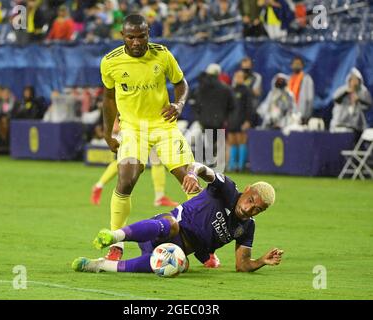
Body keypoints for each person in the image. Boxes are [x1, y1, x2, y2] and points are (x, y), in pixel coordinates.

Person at [99, 14, 199, 261]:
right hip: (132, 128)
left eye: (141, 36)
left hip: (164, 126)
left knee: (190, 181)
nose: (136, 42)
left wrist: (179, 104)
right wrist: (107, 132)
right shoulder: (110, 62)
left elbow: (181, 83)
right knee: (126, 179)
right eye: (130, 37)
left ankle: (203, 246)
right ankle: (117, 242)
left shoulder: (162, 54)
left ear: (148, 33)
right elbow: (109, 98)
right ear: (123, 36)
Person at [72, 161, 284, 273]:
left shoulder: (247, 228)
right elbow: (201, 168)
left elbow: (242, 264)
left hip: (176, 250)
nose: (249, 209)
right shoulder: (227, 189)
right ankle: (115, 237)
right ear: (246, 190)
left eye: (257, 209)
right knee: (171, 224)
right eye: (250, 200)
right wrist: (191, 174)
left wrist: (261, 261)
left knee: (176, 263)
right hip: (160, 229)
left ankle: (100, 266)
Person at [91, 118, 179, 207]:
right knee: (126, 160)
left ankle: (159, 197)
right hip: (134, 126)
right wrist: (115, 122)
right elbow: (113, 104)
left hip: (150, 125)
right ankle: (99, 186)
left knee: (156, 161)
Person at [227, 70, 256, 172]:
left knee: (241, 141)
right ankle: (232, 165)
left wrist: (248, 120)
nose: (238, 78)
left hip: (242, 119)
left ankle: (241, 166)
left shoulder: (246, 91)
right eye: (236, 76)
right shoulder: (232, 90)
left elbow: (250, 107)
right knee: (232, 142)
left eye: (240, 77)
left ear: (244, 79)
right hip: (232, 120)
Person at [330, 68, 372, 135]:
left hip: (356, 126)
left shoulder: (363, 92)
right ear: (349, 80)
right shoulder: (343, 90)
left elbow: (368, 104)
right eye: (352, 79)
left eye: (356, 80)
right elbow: (336, 99)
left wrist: (358, 99)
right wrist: (346, 92)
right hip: (340, 124)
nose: (354, 82)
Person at [287, 56, 314, 124]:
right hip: (289, 113)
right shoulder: (288, 79)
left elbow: (310, 98)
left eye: (298, 64)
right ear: (291, 66)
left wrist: (307, 115)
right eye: (295, 64)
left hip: (301, 113)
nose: (296, 65)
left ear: (302, 66)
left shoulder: (307, 79)